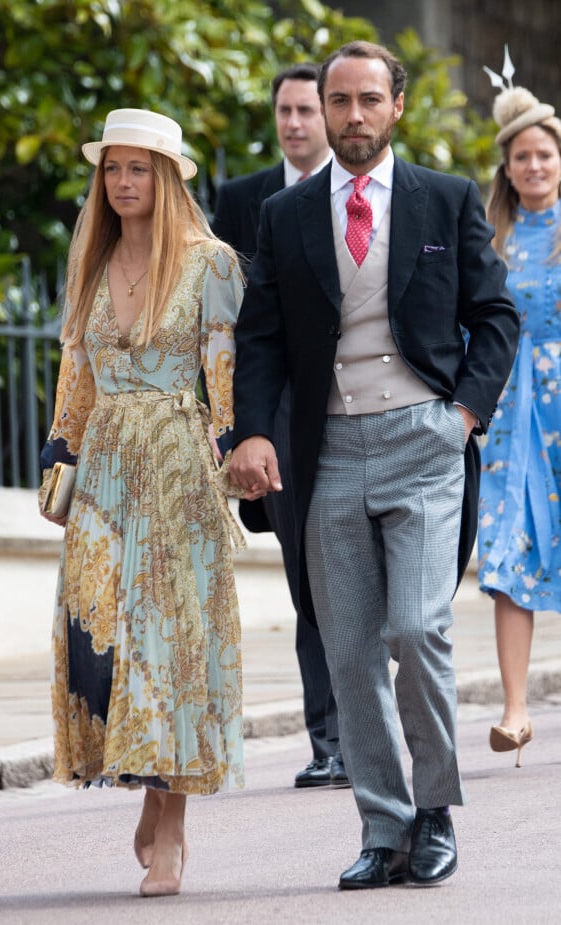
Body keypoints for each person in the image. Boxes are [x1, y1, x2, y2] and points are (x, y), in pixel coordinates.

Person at [229, 41, 519, 889]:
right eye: (337, 102)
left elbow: (494, 315)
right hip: (328, 450)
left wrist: (462, 414)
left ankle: (434, 811)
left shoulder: (447, 199)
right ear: (321, 109)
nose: (352, 117)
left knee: (417, 628)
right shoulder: (284, 217)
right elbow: (262, 339)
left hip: (424, 442)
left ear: (396, 106)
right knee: (350, 645)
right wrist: (252, 432)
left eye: (367, 101)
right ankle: (383, 827)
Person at [38, 109, 245, 898]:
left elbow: (222, 375)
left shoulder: (210, 263)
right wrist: (60, 458)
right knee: (105, 639)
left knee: (174, 645)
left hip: (177, 468)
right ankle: (145, 783)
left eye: (139, 169)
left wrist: (235, 464)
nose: (124, 183)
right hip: (101, 478)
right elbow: (76, 377)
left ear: (166, 176)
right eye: (113, 169)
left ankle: (172, 825)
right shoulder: (90, 261)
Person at [213, 64, 348, 789]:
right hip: (281, 419)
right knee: (308, 577)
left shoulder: (367, 194)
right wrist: (234, 426)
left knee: (364, 583)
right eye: (285, 111)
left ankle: (372, 725)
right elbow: (230, 327)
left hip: (362, 408)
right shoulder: (242, 202)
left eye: (307, 110)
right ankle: (330, 740)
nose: (295, 123)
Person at [477, 79, 561, 768]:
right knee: (510, 550)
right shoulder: (489, 238)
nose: (534, 167)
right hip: (512, 413)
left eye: (545, 156)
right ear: (507, 168)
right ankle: (515, 709)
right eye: (522, 158)